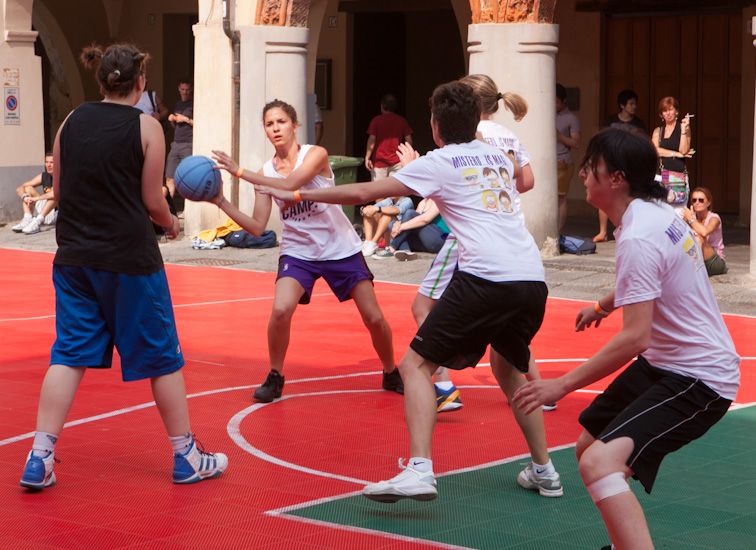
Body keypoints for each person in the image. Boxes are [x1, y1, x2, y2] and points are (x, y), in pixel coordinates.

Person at [255, 80, 561, 503]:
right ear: (476, 122)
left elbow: (364, 191)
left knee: (414, 365)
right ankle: (545, 470)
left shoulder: (439, 161)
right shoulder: (496, 154)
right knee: (509, 370)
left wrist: (299, 191)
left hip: (485, 277)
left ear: (435, 126)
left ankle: (419, 470)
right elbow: (513, 176)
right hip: (530, 279)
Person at [513, 128, 740, 550]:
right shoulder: (656, 212)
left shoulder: (639, 235)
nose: (583, 174)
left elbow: (635, 338)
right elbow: (653, 276)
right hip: (666, 363)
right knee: (588, 448)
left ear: (616, 178)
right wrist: (602, 305)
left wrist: (560, 385)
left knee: (600, 464)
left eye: (591, 166)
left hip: (700, 378)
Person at [19, 43, 227, 491]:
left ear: (100, 80)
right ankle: (187, 456)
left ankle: (39, 457)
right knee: (163, 358)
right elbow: (153, 200)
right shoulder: (148, 127)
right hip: (129, 259)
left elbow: (62, 189)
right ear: (141, 82)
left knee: (68, 355)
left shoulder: (71, 121)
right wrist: (171, 222)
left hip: (75, 256)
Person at [211, 99, 403, 403]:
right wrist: (221, 201)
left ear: (295, 125)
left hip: (340, 247)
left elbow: (290, 185)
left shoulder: (315, 154)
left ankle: (391, 370)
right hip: (298, 251)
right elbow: (258, 226)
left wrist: (239, 172)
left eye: (281, 122)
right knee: (280, 310)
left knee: (374, 318)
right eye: (269, 124)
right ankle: (275, 375)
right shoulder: (264, 172)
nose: (275, 128)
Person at [425, 73, 558, 416]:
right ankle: (540, 389)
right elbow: (527, 181)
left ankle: (441, 383)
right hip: (510, 230)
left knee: (423, 306)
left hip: (474, 234)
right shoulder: (508, 135)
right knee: (508, 330)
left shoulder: (470, 134)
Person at [594, 89, 647, 243]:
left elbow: (643, 144)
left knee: (628, 197)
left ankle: (626, 229)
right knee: (604, 195)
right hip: (611, 162)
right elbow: (602, 141)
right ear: (622, 105)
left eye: (635, 104)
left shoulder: (639, 124)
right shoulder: (610, 122)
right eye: (631, 103)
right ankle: (603, 231)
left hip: (630, 164)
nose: (634, 106)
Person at [651, 96, 694, 211]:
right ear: (661, 114)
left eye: (670, 109)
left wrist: (684, 130)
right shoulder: (658, 131)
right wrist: (675, 154)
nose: (668, 113)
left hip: (677, 174)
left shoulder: (684, 128)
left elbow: (684, 150)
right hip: (662, 174)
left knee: (678, 211)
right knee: (660, 210)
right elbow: (655, 150)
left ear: (676, 112)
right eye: (664, 111)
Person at [364, 93, 413, 180]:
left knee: (378, 189)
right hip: (397, 162)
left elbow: (372, 140)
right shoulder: (401, 121)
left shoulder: (376, 121)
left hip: (379, 163)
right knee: (395, 188)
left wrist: (367, 157)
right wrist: (407, 155)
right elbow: (408, 139)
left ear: (382, 106)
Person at [681, 186, 727, 276]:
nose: (697, 202)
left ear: (708, 203)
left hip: (714, 261)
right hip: (698, 260)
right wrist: (685, 221)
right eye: (694, 200)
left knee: (698, 238)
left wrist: (691, 219)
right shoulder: (691, 218)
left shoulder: (714, 218)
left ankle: (692, 272)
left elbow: (704, 232)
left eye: (701, 200)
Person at [11, 152, 58, 235]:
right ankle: (27, 218)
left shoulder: (62, 176)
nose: (48, 165)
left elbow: (55, 194)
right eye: (46, 162)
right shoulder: (44, 176)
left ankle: (37, 222)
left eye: (51, 162)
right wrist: (25, 197)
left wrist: (35, 199)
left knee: (55, 196)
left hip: (56, 213)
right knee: (27, 188)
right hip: (45, 211)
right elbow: (20, 188)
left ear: (57, 164)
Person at [556, 83, 581, 234]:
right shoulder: (546, 114)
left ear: (564, 101)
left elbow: (576, 143)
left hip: (562, 161)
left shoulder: (571, 118)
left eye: (557, 101)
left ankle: (558, 231)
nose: (554, 104)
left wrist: (559, 136)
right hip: (547, 162)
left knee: (560, 197)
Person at [164, 78, 194, 197]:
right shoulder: (178, 104)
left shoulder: (194, 104)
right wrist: (172, 120)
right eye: (183, 89)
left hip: (188, 144)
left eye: (187, 89)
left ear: (191, 90)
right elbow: (175, 126)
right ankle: (170, 205)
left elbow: (201, 124)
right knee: (169, 178)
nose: (185, 92)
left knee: (188, 177)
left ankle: (189, 205)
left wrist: (186, 119)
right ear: (179, 89)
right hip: (175, 144)